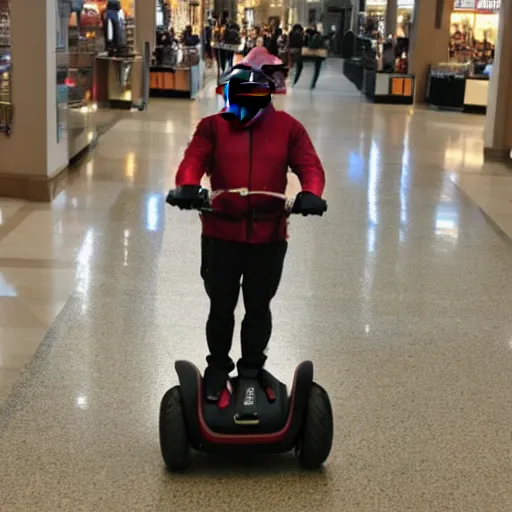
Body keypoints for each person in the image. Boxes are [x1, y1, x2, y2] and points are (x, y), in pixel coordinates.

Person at [168, 48, 326, 401]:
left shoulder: (289, 129)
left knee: (259, 306)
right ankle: (218, 368)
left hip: (269, 236)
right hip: (221, 234)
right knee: (221, 307)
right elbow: (192, 160)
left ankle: (252, 367)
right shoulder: (212, 128)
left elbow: (310, 166)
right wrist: (188, 187)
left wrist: (311, 193)